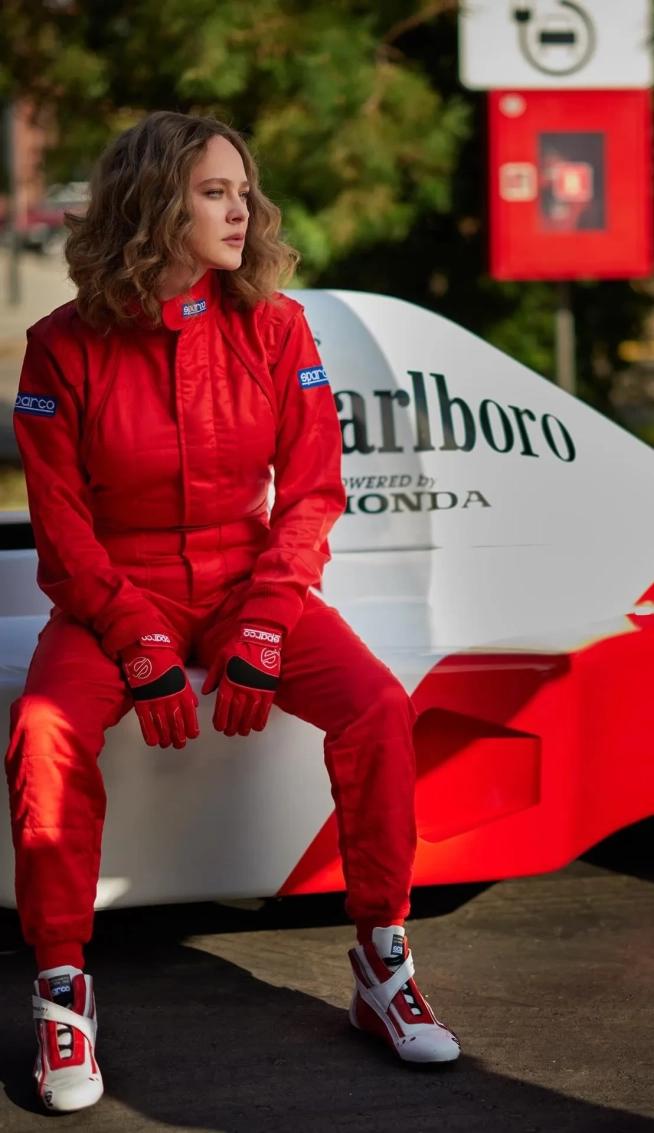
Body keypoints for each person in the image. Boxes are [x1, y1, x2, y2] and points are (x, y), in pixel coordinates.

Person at [6, 111, 460, 1114]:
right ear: (153, 203)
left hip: (249, 584)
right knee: (43, 731)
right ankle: (62, 988)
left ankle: (383, 962)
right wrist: (137, 639)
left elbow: (312, 492)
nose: (240, 209)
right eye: (215, 192)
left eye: (243, 191)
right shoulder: (61, 346)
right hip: (114, 592)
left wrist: (264, 620)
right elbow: (62, 529)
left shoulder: (276, 326)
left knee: (377, 706)